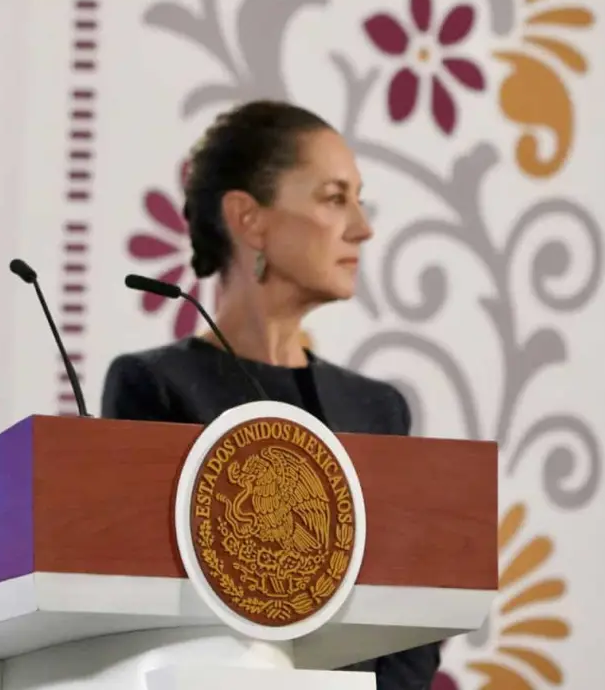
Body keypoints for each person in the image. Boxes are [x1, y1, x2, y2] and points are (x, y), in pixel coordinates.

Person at [100, 100, 441, 689]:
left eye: (359, 199)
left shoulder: (382, 409)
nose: (362, 227)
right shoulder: (152, 387)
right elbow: (152, 616)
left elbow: (411, 623)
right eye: (335, 198)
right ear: (249, 219)